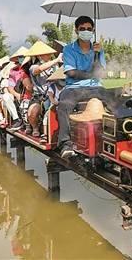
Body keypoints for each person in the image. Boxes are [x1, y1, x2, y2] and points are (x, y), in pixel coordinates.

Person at [56, 16, 107, 158]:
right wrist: (91, 74)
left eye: (89, 29)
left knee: (118, 98)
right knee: (64, 105)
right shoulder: (68, 49)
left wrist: (97, 54)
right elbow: (71, 73)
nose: (86, 31)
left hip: (95, 87)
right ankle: (65, 143)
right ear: (76, 30)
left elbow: (100, 72)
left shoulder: (98, 49)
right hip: (74, 88)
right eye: (82, 29)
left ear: (93, 30)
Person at [24, 41, 62, 138]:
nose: (49, 55)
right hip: (40, 96)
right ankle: (35, 127)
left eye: (50, 53)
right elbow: (38, 70)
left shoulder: (55, 66)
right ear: (40, 56)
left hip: (55, 93)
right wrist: (56, 60)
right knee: (33, 112)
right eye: (47, 54)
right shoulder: (34, 67)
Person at [5, 47, 30, 131]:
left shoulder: (30, 67)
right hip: (17, 93)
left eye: (23, 56)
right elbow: (10, 87)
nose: (21, 58)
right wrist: (17, 95)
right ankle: (16, 119)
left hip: (29, 93)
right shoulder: (13, 70)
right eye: (19, 57)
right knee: (6, 97)